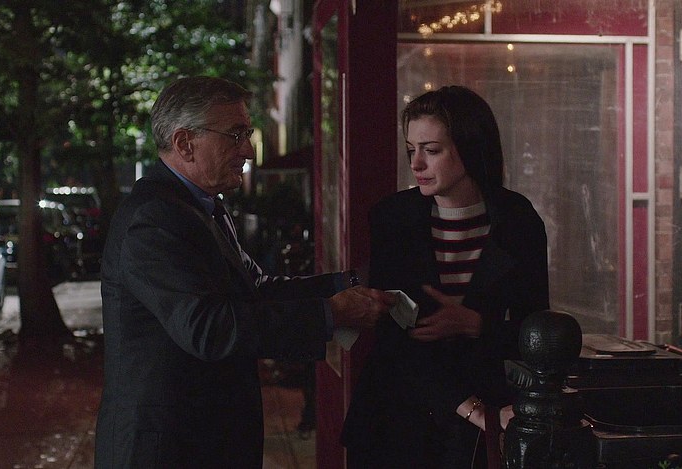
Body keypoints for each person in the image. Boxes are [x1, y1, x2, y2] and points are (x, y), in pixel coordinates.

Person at [94, 76, 396, 468]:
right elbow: (208, 328)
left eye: (247, 134)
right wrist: (332, 312)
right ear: (185, 143)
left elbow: (256, 289)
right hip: (169, 449)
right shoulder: (153, 219)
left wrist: (350, 284)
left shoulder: (199, 206)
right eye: (235, 135)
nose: (248, 150)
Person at [341, 85, 550, 468]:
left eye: (432, 150)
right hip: (399, 418)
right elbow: (391, 338)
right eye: (411, 149)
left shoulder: (517, 219)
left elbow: (538, 333)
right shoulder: (393, 218)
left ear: (470, 148)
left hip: (480, 427)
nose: (417, 164)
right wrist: (471, 409)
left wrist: (477, 325)